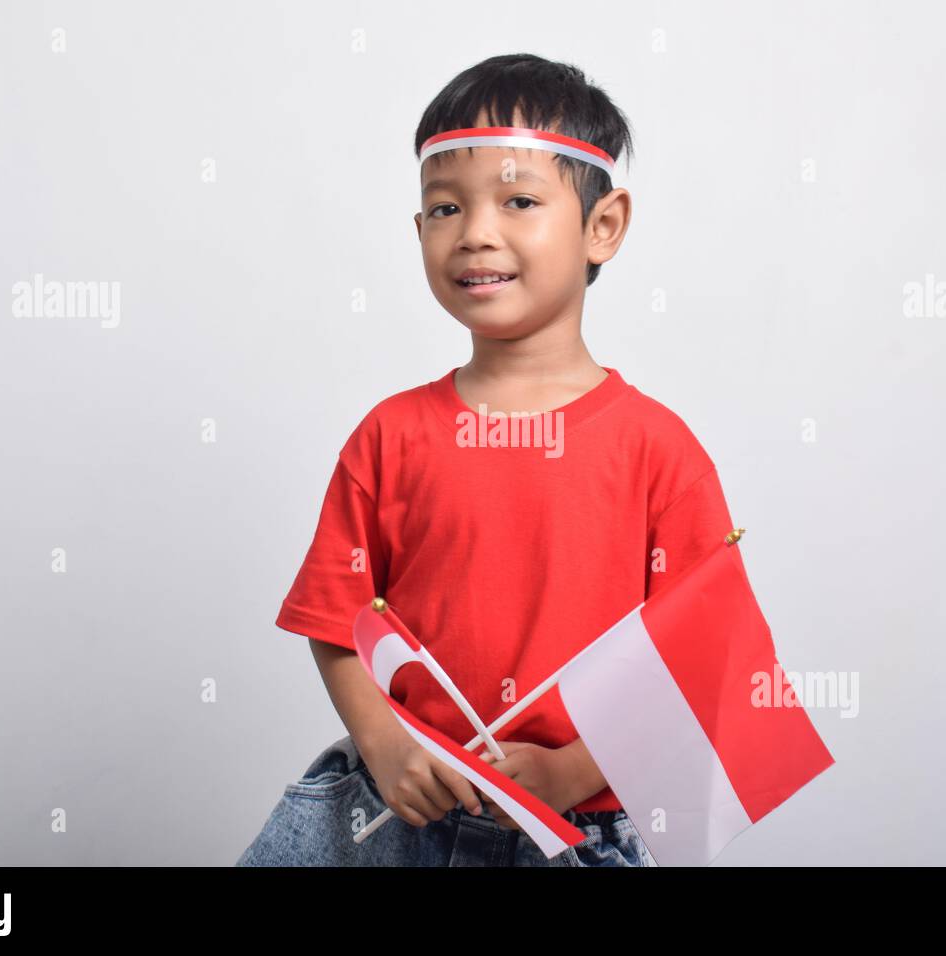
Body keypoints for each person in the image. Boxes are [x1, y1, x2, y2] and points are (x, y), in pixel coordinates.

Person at [237, 52, 734, 867]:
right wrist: (385, 744)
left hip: (571, 835)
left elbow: (699, 662)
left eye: (520, 200)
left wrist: (573, 772)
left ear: (602, 225)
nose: (474, 232)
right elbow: (336, 620)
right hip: (386, 817)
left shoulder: (659, 452)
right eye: (444, 208)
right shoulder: (389, 437)